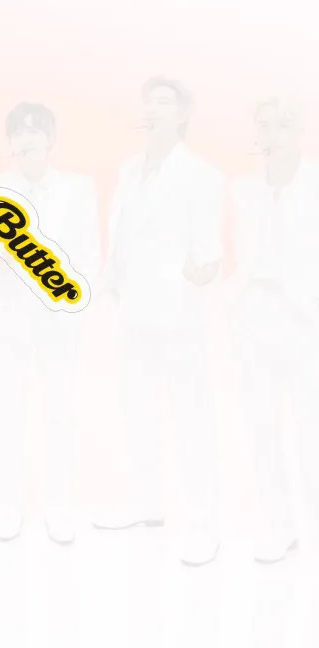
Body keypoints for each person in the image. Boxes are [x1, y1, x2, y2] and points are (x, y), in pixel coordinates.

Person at [95, 76, 224, 567]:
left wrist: (196, 274)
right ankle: (146, 504)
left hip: (177, 316)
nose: (152, 108)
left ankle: (203, 522)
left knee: (190, 416)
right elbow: (120, 233)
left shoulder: (201, 175)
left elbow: (207, 249)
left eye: (164, 102)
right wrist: (109, 284)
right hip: (132, 311)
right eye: (148, 101)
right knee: (137, 410)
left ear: (182, 114)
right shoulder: (129, 169)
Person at [0, 102, 101, 544]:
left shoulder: (78, 188)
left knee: (60, 413)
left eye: (36, 130)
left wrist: (71, 306)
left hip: (58, 321)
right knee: (9, 414)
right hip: (11, 320)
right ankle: (9, 504)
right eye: (19, 131)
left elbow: (89, 253)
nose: (28, 137)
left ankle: (59, 506)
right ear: (10, 142)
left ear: (51, 138)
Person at [227, 97, 319, 562]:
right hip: (254, 314)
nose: (271, 135)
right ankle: (279, 528)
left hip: (305, 316)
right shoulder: (243, 189)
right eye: (263, 126)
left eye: (281, 126)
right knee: (262, 427)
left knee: (311, 429)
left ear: (299, 132)